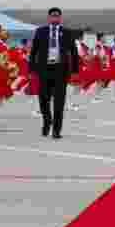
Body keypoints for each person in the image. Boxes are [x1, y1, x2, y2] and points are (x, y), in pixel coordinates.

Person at [29, 7, 80, 139]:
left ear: (60, 18)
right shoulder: (40, 31)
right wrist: (31, 70)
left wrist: (75, 71)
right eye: (53, 16)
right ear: (49, 18)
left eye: (57, 16)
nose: (55, 18)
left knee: (59, 101)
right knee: (43, 99)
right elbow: (33, 52)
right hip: (44, 70)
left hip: (60, 70)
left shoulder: (67, 32)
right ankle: (47, 121)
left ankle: (57, 130)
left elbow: (74, 53)